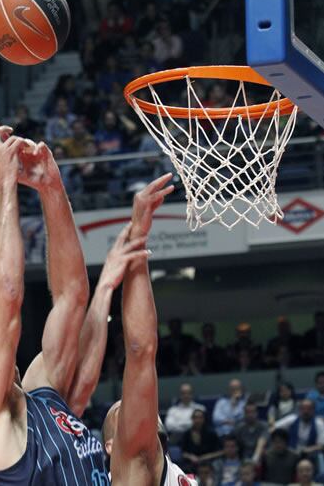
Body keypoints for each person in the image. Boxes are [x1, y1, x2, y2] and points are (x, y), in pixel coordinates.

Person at [0, 124, 110, 483]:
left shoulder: (42, 392)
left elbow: (72, 296)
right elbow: (6, 299)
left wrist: (51, 187)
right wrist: (5, 182)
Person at [100, 173, 197, 485]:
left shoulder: (163, 468)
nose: (135, 404)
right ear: (111, 447)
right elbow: (141, 350)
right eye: (124, 409)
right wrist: (138, 237)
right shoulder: (134, 461)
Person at [275, 399, 324, 473]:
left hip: (309, 454)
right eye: (303, 409)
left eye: (309, 409)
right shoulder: (292, 419)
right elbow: (273, 428)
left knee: (319, 457)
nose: (305, 412)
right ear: (299, 410)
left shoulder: (319, 423)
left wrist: (308, 449)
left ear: (313, 410)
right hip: (291, 452)